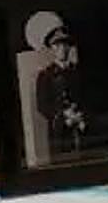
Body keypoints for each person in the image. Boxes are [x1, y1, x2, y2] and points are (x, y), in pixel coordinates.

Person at [35, 24, 88, 162]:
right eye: (57, 46)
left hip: (81, 126)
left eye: (65, 45)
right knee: (61, 163)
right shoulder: (45, 75)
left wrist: (80, 115)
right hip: (58, 131)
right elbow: (42, 105)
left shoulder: (77, 72)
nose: (62, 49)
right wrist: (63, 115)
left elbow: (86, 98)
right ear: (52, 48)